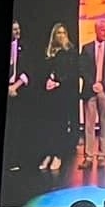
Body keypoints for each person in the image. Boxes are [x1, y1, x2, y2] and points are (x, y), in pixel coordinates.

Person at [32, 23, 79, 174]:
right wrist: (46, 81)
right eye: (58, 33)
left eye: (63, 32)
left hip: (63, 94)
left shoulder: (70, 52)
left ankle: (58, 156)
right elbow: (41, 71)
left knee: (60, 126)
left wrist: (58, 82)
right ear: (54, 35)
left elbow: (73, 73)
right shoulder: (48, 53)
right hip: (48, 95)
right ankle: (48, 154)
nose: (61, 35)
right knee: (48, 126)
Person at [80, 18, 105, 168]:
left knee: (104, 123)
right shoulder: (87, 48)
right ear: (96, 30)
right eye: (102, 30)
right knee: (89, 125)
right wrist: (93, 84)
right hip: (90, 90)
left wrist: (102, 84)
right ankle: (88, 157)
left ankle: (102, 156)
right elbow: (82, 69)